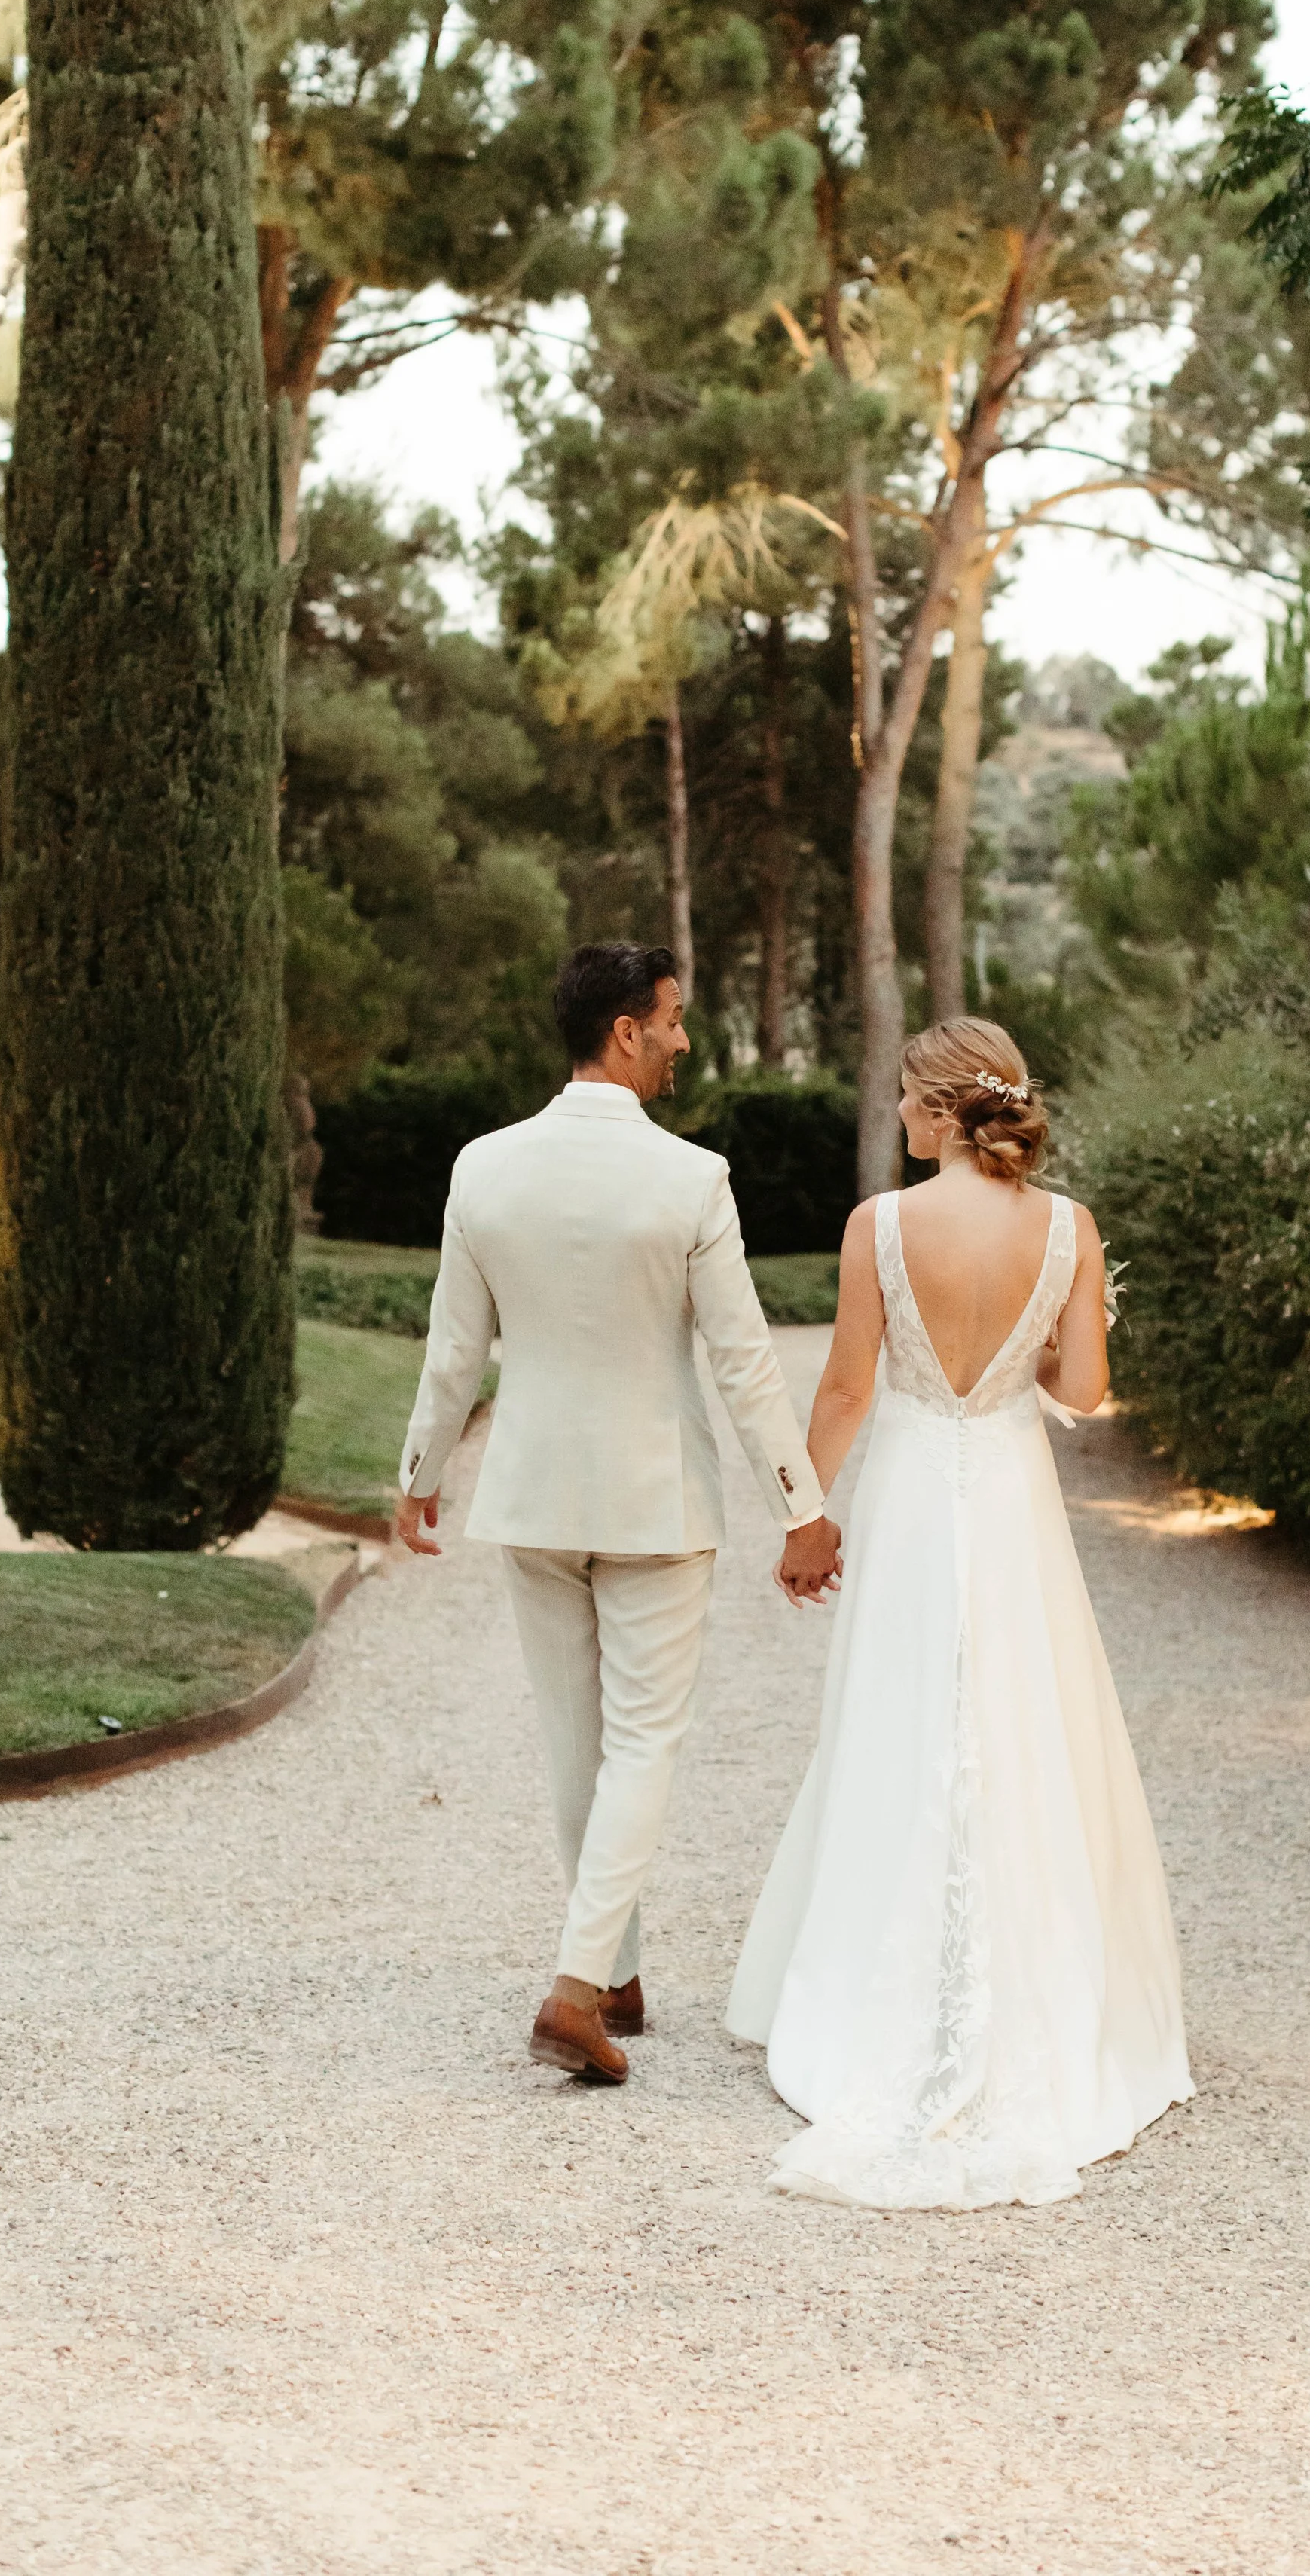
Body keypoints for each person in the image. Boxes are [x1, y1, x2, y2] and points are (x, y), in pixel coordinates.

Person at [728, 1016, 1193, 2208]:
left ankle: (883, 1982)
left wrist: (803, 1513)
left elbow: (842, 1385)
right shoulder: (1070, 1229)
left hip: (916, 1498)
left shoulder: (879, 1227)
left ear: (938, 1113)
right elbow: (1086, 1389)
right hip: (1010, 1494)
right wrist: (1032, 1348)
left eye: (900, 1098)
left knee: (902, 1722)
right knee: (1020, 1723)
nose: (893, 1115)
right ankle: (1039, 1992)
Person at [394, 942, 842, 2087]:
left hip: (535, 1497)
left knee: (573, 1745)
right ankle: (574, 1988)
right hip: (654, 1503)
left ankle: (619, 1970)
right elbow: (743, 1362)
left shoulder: (483, 1167)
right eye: (676, 1019)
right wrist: (803, 1503)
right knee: (643, 1742)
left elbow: (456, 1350)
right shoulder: (691, 1179)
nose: (686, 1039)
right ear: (627, 1029)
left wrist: (419, 1471)